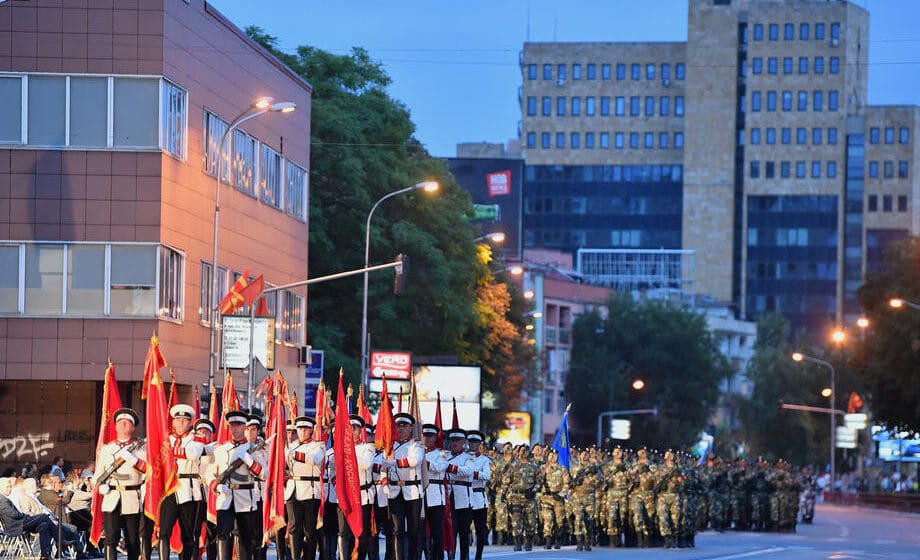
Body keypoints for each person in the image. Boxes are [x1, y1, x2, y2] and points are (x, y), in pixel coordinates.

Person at [211, 410, 267, 560]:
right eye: (232, 426)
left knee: (246, 540)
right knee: (222, 535)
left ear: (244, 427)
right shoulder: (221, 449)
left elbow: (263, 474)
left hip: (246, 499)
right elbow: (212, 473)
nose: (235, 429)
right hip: (226, 498)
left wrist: (250, 461)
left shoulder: (254, 449)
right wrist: (218, 487)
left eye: (239, 425)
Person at [94, 407, 147, 560]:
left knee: (132, 540)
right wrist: (100, 487)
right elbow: (97, 476)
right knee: (111, 538)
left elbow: (150, 472)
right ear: (115, 426)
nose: (123, 425)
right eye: (121, 423)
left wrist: (135, 460)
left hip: (132, 497)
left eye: (127, 423)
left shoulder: (141, 448)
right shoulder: (107, 449)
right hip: (111, 497)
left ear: (133, 427)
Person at [159, 404, 208, 560]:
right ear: (173, 422)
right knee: (164, 531)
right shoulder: (166, 438)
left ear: (190, 422)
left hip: (189, 490)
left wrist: (168, 450)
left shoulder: (197, 437)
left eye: (184, 420)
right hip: (169, 489)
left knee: (188, 535)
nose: (180, 423)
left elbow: (192, 454)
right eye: (177, 420)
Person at [383, 412, 425, 560]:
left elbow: (415, 461)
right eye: (398, 426)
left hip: (412, 491)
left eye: (404, 426)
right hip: (395, 491)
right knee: (397, 530)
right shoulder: (390, 446)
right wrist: (384, 483)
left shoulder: (416, 445)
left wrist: (395, 462)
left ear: (411, 428)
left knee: (413, 531)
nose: (401, 429)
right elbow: (383, 466)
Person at [0, 476, 71, 560]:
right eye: (8, 487)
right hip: (16, 526)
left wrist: (24, 516)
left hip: (20, 522)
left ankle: (45, 554)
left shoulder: (4, 498)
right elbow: (13, 514)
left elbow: (14, 514)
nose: (10, 489)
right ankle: (60, 541)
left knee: (44, 525)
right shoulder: (1, 499)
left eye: (10, 486)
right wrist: (25, 516)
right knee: (43, 516)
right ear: (1, 488)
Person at [285, 415, 324, 560]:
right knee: (294, 528)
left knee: (309, 530)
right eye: (299, 428)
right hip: (293, 489)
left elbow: (314, 459)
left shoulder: (318, 445)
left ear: (311, 430)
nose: (301, 431)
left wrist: (293, 454)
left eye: (305, 429)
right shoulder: (291, 445)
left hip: (310, 490)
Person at [420, 423, 449, 560]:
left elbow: (440, 467)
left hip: (436, 497)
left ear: (435, 438)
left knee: (436, 531)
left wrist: (425, 463)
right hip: (419, 495)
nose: (427, 439)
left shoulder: (441, 453)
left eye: (430, 436)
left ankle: (437, 556)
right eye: (425, 436)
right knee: (419, 531)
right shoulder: (417, 451)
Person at [444, 430, 474, 560]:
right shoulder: (445, 456)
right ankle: (451, 556)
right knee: (451, 530)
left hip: (463, 499)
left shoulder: (469, 457)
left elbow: (467, 471)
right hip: (449, 497)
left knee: (464, 532)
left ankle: (464, 556)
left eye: (457, 440)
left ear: (463, 442)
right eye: (452, 440)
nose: (454, 443)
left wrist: (450, 467)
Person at [464, 431, 490, 560]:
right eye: (471, 442)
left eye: (475, 442)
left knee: (480, 530)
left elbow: (486, 476)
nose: (473, 445)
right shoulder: (462, 457)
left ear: (480, 444)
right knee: (464, 530)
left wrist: (471, 473)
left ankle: (478, 555)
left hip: (479, 497)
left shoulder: (484, 460)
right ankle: (465, 555)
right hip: (465, 496)